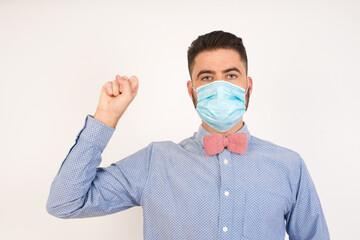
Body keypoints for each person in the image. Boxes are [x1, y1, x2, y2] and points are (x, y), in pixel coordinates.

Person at [46, 30, 330, 239]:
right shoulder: (155, 162)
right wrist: (105, 119)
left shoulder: (289, 166)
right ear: (191, 90)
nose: (220, 86)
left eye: (231, 75)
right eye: (207, 77)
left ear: (248, 86)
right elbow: (65, 203)